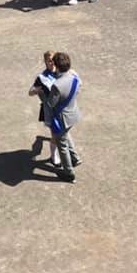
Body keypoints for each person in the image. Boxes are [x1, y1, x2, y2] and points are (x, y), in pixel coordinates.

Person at [44, 52, 81, 182]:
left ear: (57, 66)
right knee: (66, 135)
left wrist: (43, 94)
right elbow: (77, 90)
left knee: (62, 146)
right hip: (73, 114)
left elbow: (50, 103)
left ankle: (69, 173)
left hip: (61, 119)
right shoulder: (74, 77)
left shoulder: (57, 85)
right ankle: (75, 158)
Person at [27, 51, 61, 167]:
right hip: (50, 110)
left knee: (60, 134)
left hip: (62, 108)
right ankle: (54, 157)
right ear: (45, 62)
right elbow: (30, 92)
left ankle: (40, 139)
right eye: (49, 61)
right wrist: (37, 90)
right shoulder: (42, 78)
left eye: (54, 60)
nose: (52, 63)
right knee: (55, 134)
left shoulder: (61, 71)